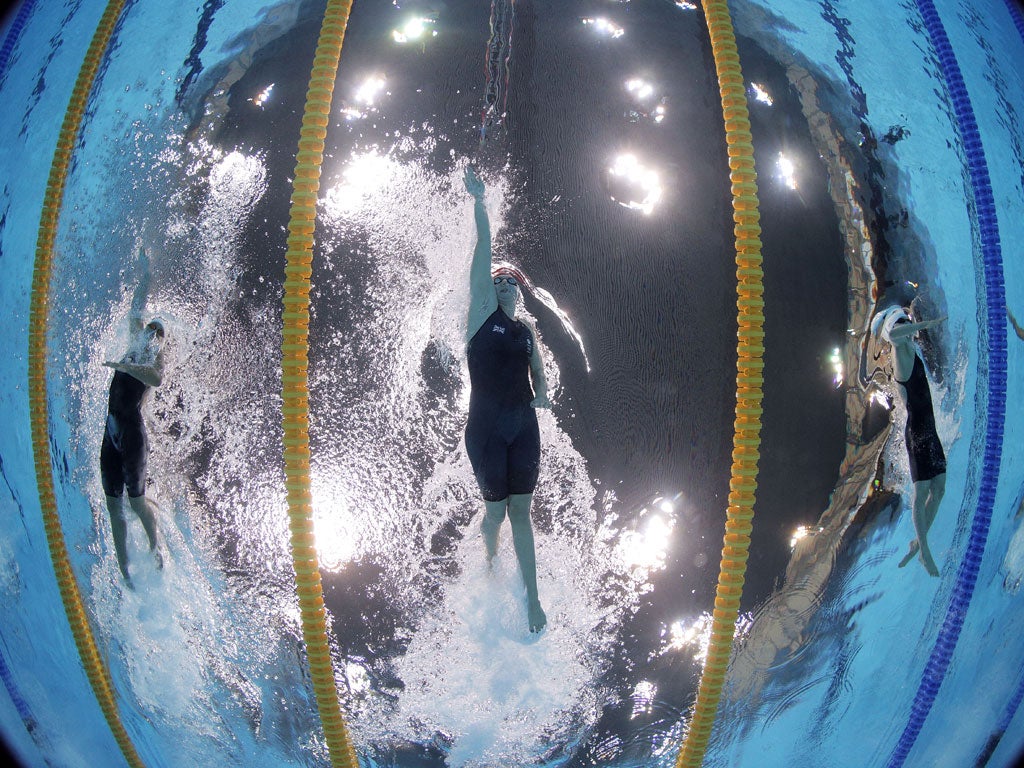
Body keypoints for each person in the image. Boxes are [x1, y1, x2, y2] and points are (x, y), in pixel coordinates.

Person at [463, 165, 551, 633]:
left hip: (524, 428)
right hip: (485, 432)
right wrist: (480, 203)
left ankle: (533, 601)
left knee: (523, 511)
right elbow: (484, 253)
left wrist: (545, 396)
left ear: (520, 291)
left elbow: (539, 373)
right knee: (495, 513)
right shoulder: (480, 316)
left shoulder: (526, 331)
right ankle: (491, 561)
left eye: (511, 282)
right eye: (498, 281)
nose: (504, 285)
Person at [101, 247, 166, 588]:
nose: (148, 335)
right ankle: (125, 570)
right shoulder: (134, 340)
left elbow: (155, 380)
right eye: (147, 330)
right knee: (114, 507)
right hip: (110, 433)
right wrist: (146, 272)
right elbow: (136, 307)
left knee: (137, 504)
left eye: (155, 335)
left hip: (132, 438)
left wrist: (123, 366)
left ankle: (156, 547)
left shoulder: (153, 363)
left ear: (157, 343)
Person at [873, 305, 947, 576]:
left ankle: (918, 542)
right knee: (921, 494)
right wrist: (929, 322)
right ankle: (925, 552)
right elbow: (894, 335)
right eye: (903, 324)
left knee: (940, 489)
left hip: (930, 428)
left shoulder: (909, 349)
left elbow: (899, 331)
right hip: (917, 431)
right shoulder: (898, 352)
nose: (908, 327)